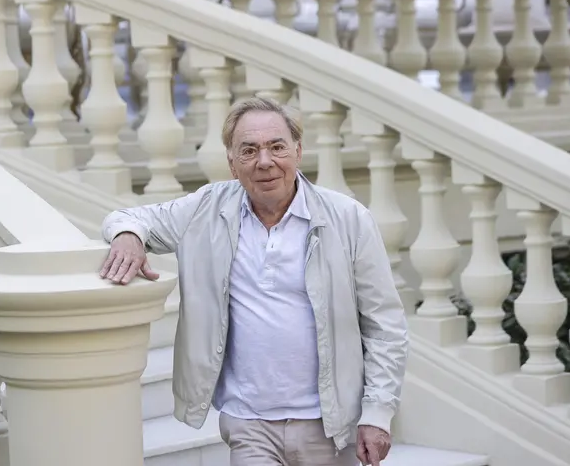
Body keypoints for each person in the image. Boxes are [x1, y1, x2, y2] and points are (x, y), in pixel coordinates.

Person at [99, 97, 408, 466]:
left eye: (277, 147)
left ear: (298, 150)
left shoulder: (349, 219)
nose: (265, 161)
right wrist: (128, 236)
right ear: (232, 163)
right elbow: (128, 217)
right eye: (249, 150)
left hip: (329, 425)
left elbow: (384, 326)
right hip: (248, 422)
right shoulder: (206, 209)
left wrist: (377, 413)